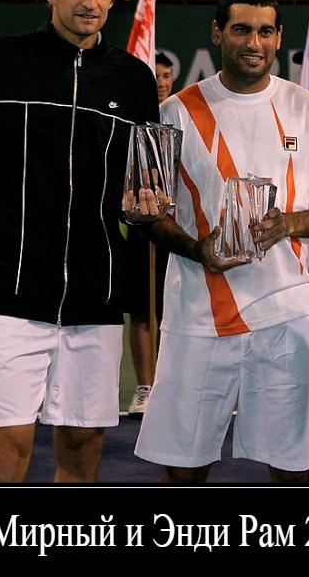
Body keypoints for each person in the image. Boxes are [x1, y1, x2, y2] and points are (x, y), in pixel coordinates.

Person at [0, 0, 160, 483]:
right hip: (6, 289)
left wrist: (148, 204)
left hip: (94, 296)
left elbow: (148, 181)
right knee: (8, 442)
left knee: (84, 444)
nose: (90, 2)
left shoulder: (133, 79)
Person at [132, 0, 309, 483]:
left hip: (286, 313)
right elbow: (148, 214)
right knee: (184, 470)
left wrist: (289, 224)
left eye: (265, 31)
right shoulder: (174, 112)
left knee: (294, 469)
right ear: (217, 32)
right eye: (241, 30)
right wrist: (199, 250)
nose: (254, 43)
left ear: (279, 37)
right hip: (197, 315)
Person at [127, 52, 175, 418]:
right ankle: (145, 387)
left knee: (171, 310)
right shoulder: (132, 118)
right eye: (155, 75)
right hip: (141, 227)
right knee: (143, 309)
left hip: (176, 231)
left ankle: (168, 386)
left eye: (166, 75)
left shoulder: (181, 115)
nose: (161, 82)